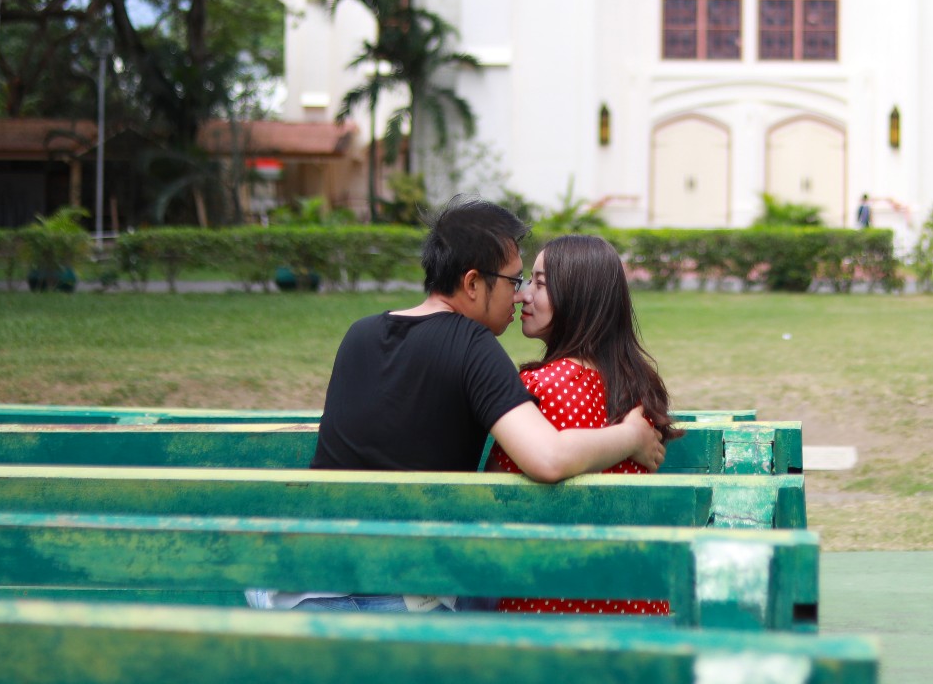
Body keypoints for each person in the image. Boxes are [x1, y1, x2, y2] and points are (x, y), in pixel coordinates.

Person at [253, 199, 666, 614]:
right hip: (400, 592)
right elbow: (547, 459)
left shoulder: (359, 334)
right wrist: (631, 435)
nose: (519, 294)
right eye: (513, 280)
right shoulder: (472, 345)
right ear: (472, 284)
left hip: (305, 582)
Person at [488, 235, 681, 615]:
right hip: (638, 602)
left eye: (539, 284)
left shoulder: (540, 387)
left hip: (554, 603)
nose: (522, 295)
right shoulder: (637, 384)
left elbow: (497, 495)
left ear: (577, 297)